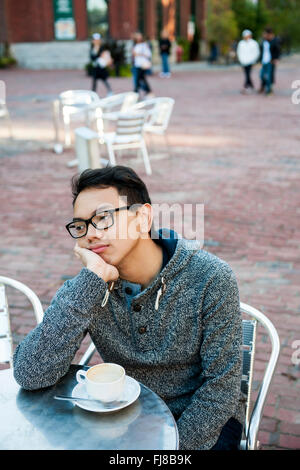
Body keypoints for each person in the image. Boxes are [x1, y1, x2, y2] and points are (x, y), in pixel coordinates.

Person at [13, 165, 245, 450]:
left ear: (142, 218)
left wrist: (171, 450)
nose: (90, 234)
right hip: (128, 414)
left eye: (103, 218)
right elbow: (30, 374)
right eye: (80, 226)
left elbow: (221, 390)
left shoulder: (211, 278)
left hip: (204, 420)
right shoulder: (89, 286)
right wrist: (91, 282)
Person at [236, 29, 260, 94]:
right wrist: (241, 60)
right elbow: (239, 52)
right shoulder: (241, 43)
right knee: (247, 74)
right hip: (243, 61)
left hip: (251, 61)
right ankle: (251, 86)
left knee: (247, 74)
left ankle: (246, 87)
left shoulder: (254, 43)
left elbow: (256, 52)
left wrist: (254, 60)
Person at [259, 27, 281, 95]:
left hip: (270, 61)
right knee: (261, 75)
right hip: (264, 61)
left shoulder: (274, 41)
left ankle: (269, 90)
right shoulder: (263, 41)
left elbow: (278, 51)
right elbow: (261, 51)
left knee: (269, 76)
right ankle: (265, 87)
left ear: (269, 34)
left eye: (265, 34)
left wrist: (276, 59)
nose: (264, 35)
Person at [132, 32, 153, 98]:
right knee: (140, 79)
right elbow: (134, 55)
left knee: (139, 79)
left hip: (142, 65)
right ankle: (141, 92)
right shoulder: (135, 45)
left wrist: (140, 54)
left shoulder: (144, 45)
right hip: (137, 64)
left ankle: (137, 93)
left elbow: (148, 54)